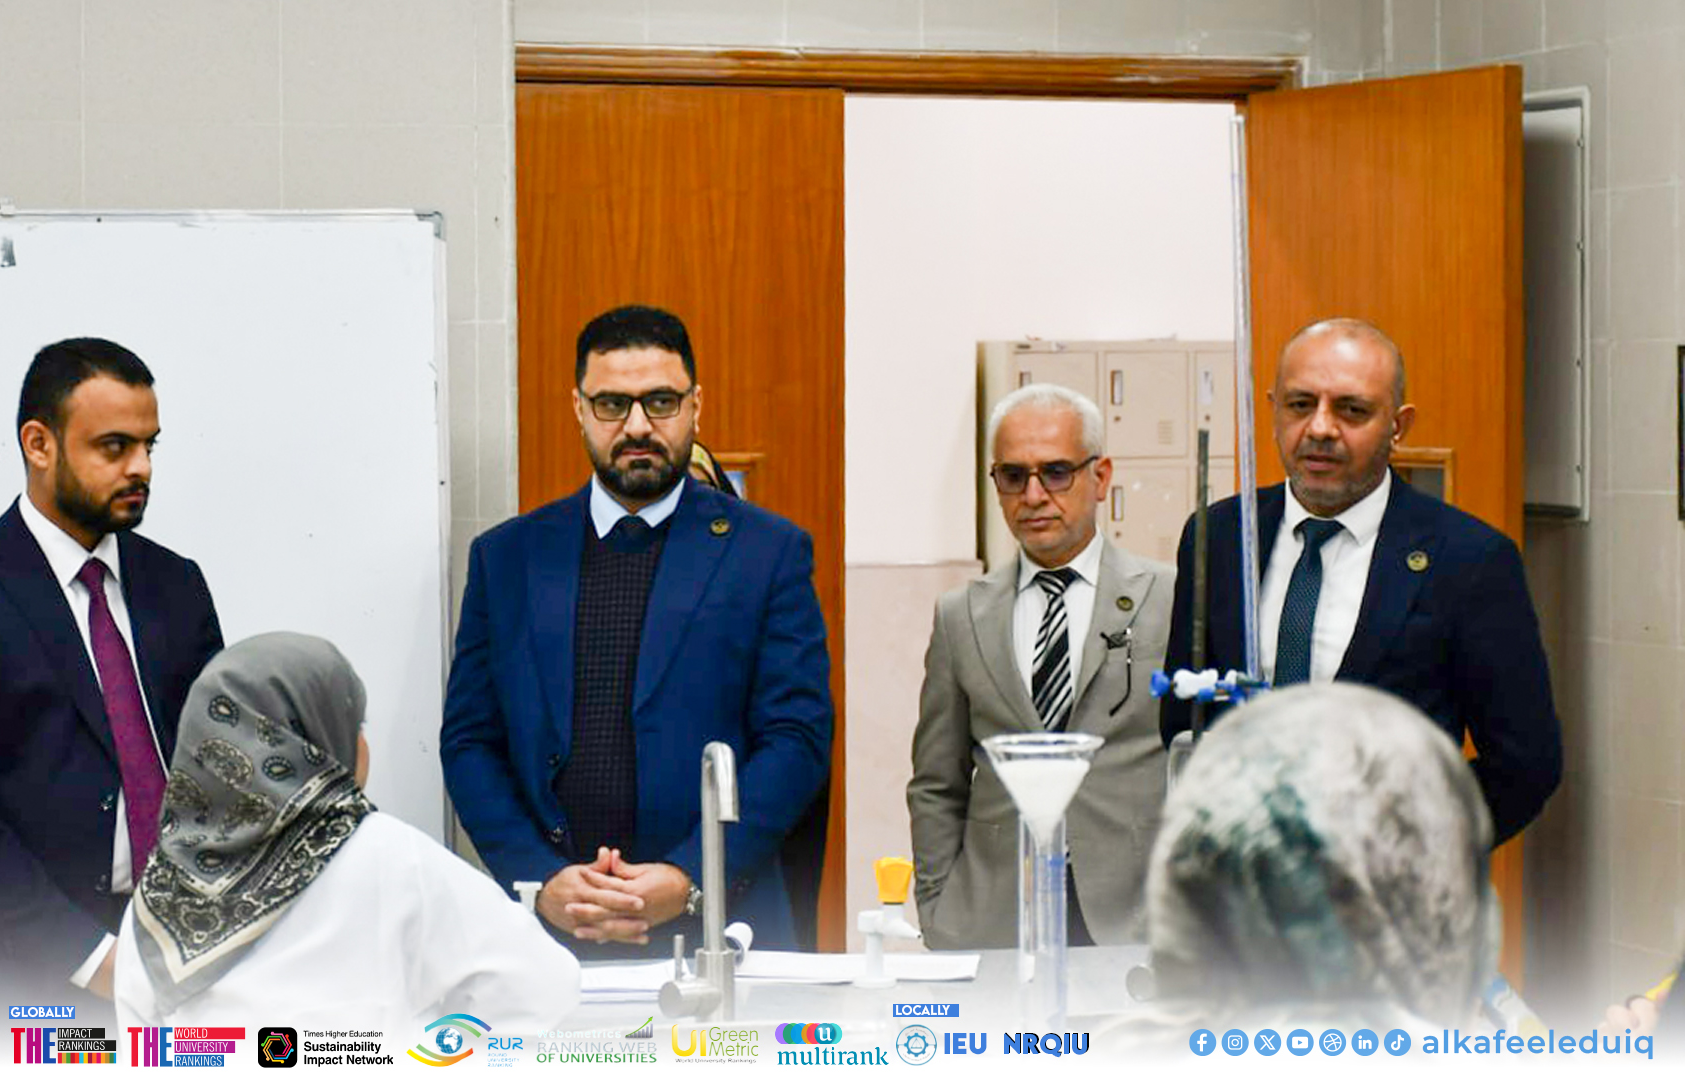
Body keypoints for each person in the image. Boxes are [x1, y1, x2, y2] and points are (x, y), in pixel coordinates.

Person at [441, 304, 833, 957]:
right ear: (578, 408)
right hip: (552, 935)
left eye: (661, 401)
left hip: (720, 927)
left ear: (696, 405)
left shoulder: (767, 552)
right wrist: (539, 880)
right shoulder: (506, 559)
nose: (638, 426)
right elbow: (470, 741)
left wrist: (690, 876)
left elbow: (796, 739)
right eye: (612, 404)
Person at [0, 338, 224, 1020]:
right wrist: (96, 961)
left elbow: (215, 763)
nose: (141, 467)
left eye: (149, 445)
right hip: (20, 974)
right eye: (114, 446)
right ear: (39, 445)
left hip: (173, 960)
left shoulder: (177, 583)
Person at [1159, 318, 1561, 844]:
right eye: (1300, 404)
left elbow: (1525, 765)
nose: (1321, 429)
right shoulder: (1219, 535)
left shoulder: (1469, 560)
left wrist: (1405, 850)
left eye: (1351, 410)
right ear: (1273, 409)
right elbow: (1183, 717)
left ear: (1398, 425)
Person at [115, 633, 578, 1031]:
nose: (363, 744)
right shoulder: (388, 856)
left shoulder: (159, 891)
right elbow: (544, 984)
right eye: (356, 725)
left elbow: (140, 1042)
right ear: (311, 743)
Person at [908, 384, 1175, 949]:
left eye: (1056, 473)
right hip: (996, 916)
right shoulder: (962, 616)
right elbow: (936, 782)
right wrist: (937, 907)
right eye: (1013, 476)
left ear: (1100, 477)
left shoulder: (1167, 597)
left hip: (1132, 915)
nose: (1033, 496)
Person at [1141, 683, 1498, 1033]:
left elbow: (1517, 759)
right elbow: (1180, 721)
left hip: (1396, 909)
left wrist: (1426, 843)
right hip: (1236, 925)